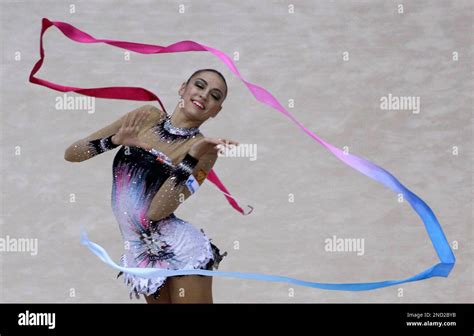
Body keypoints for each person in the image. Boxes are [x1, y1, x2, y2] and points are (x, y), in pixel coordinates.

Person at [64, 69, 239, 303]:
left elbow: (157, 211)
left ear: (216, 110)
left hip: (181, 249)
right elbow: (73, 154)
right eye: (199, 85)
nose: (205, 95)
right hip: (140, 252)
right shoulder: (146, 117)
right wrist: (112, 141)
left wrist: (190, 159)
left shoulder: (205, 151)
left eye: (215, 96)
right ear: (183, 88)